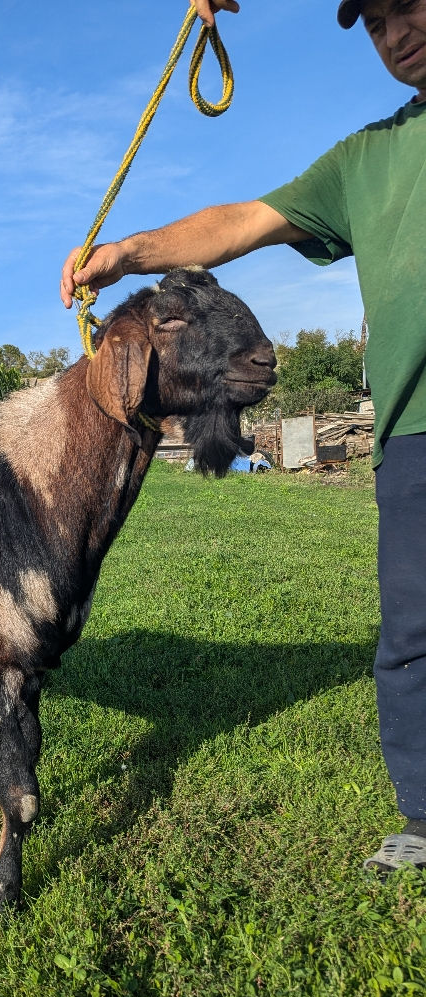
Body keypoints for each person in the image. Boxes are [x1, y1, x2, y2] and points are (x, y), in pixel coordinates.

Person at [61, 0, 426, 874]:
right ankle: (423, 818)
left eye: (407, 6)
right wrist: (127, 252)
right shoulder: (365, 160)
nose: (396, 32)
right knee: (412, 632)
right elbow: (240, 223)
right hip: (416, 429)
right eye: (375, 24)